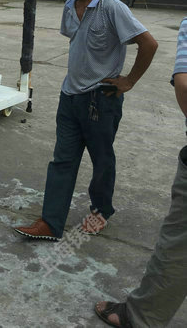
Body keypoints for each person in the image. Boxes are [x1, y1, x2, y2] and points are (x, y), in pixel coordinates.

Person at [14, 0, 158, 240]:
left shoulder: (112, 8)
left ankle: (101, 212)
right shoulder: (70, 6)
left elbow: (149, 44)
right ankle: (51, 223)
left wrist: (129, 81)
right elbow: (77, 42)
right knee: (62, 160)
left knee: (102, 160)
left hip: (100, 100)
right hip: (69, 97)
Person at [94, 17, 187, 327]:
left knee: (178, 245)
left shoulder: (112, 8)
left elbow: (184, 85)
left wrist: (129, 80)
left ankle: (140, 317)